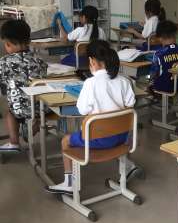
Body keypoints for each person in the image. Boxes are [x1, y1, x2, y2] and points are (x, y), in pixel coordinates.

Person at [45, 41, 135, 195]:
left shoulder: (90, 83)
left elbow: (82, 110)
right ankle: (126, 167)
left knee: (65, 140)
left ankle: (69, 183)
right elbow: (130, 104)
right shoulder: (124, 81)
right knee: (106, 128)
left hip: (99, 140)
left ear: (92, 61)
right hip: (122, 138)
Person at [0, 20, 48, 152]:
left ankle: (14, 142)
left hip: (18, 108)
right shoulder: (39, 60)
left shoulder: (3, 62)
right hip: (42, 107)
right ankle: (32, 125)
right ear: (29, 41)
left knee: (10, 113)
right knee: (33, 109)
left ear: (8, 44)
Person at [149, 20, 178, 94]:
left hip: (162, 87)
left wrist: (150, 85)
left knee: (150, 83)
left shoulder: (158, 54)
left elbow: (153, 74)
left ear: (160, 38)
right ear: (175, 34)